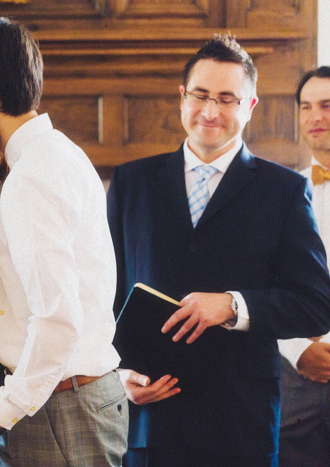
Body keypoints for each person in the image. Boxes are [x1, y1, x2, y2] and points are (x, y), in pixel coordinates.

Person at [106, 35, 330, 466]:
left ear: (250, 106)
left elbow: (316, 305)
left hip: (239, 425)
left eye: (227, 99)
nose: (210, 111)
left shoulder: (283, 191)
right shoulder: (132, 183)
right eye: (201, 95)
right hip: (149, 420)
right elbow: (105, 296)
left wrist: (233, 306)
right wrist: (120, 375)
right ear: (182, 97)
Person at [0, 17, 129, 466]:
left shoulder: (34, 175)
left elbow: (57, 322)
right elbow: (11, 290)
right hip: (60, 400)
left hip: (63, 407)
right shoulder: (48, 156)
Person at [277, 66, 330, 466]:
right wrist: (297, 349)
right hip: (301, 379)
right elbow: (265, 283)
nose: (316, 117)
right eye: (307, 106)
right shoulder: (283, 195)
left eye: (328, 105)